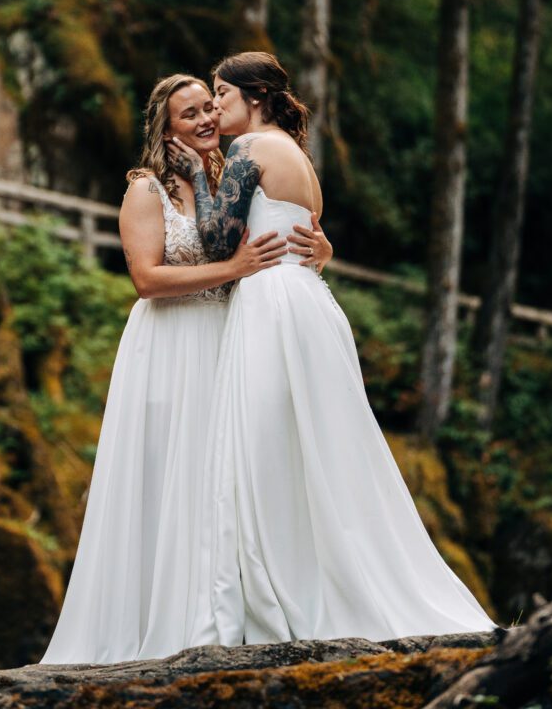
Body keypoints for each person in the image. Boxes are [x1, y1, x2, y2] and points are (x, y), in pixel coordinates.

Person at [167, 52, 498, 647]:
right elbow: (309, 234)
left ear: (256, 95)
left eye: (222, 93)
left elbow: (218, 240)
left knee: (265, 448)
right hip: (309, 301)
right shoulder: (298, 157)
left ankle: (287, 590)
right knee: (320, 446)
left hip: (272, 305)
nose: (214, 106)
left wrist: (196, 171)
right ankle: (319, 578)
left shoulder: (249, 150)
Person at [39, 73, 332, 665]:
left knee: (218, 485)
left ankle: (214, 616)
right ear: (166, 129)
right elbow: (147, 280)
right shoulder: (147, 189)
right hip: (169, 348)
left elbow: (285, 227)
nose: (203, 120)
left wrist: (322, 250)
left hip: (228, 344)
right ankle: (150, 625)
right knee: (166, 479)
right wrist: (235, 269)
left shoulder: (235, 176)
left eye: (208, 107)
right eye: (188, 114)